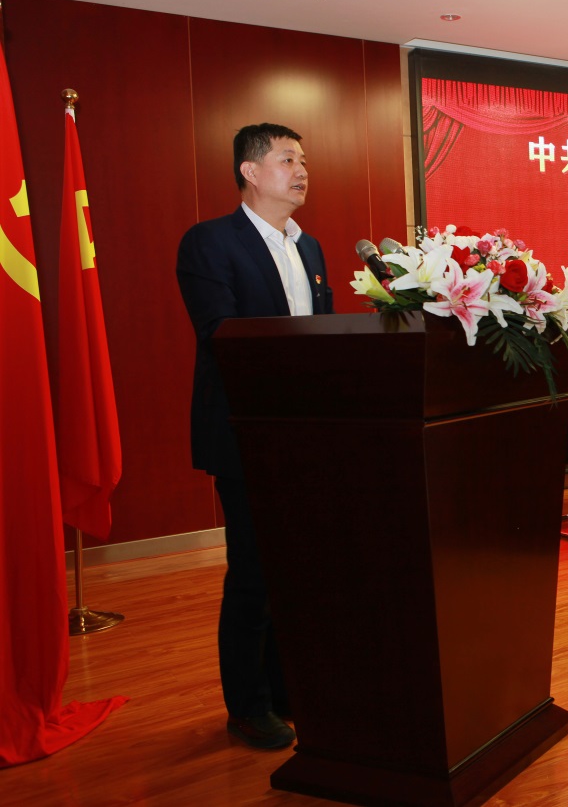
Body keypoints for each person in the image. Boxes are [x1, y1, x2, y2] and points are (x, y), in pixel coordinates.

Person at [177, 123, 333, 751]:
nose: (302, 171)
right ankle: (246, 705)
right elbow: (222, 332)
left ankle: (285, 687)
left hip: (306, 433)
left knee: (297, 568)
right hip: (246, 431)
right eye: (288, 159)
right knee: (254, 571)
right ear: (249, 170)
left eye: (304, 160)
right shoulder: (210, 242)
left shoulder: (309, 247)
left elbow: (321, 334)